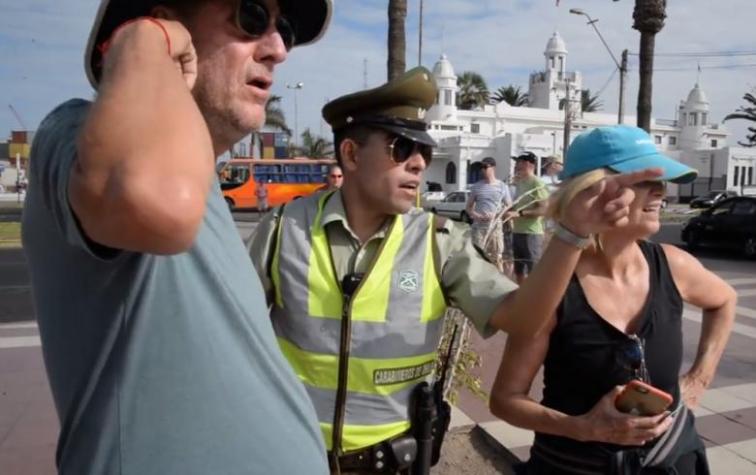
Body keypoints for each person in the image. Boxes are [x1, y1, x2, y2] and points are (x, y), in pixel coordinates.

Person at [248, 69, 663, 475]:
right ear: (352, 155)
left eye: (424, 152)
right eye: (400, 148)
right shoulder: (286, 228)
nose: (417, 164)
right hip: (292, 453)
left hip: (392, 462)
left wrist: (571, 233)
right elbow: (231, 335)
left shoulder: (438, 241)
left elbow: (523, 319)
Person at [22, 1, 333, 473]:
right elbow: (154, 202)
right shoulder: (77, 129)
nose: (277, 50)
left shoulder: (203, 184)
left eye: (284, 30)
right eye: (250, 18)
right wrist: (144, 37)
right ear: (169, 23)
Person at [490, 125, 737, 475]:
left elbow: (724, 301)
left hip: (670, 461)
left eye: (662, 181)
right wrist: (583, 428)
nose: (660, 191)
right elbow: (505, 401)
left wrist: (699, 378)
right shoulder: (553, 289)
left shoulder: (673, 264)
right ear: (590, 190)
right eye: (643, 181)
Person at [505, 151, 549, 284]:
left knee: (533, 270)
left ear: (528, 164)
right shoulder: (520, 183)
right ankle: (521, 299)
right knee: (519, 271)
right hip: (517, 231)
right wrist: (506, 212)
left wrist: (520, 214)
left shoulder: (537, 183)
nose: (516, 166)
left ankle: (534, 300)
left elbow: (544, 209)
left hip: (532, 233)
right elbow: (516, 207)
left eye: (519, 162)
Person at [466, 156, 512, 274]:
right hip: (479, 228)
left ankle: (499, 283)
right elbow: (468, 208)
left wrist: (497, 215)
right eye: (481, 167)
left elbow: (509, 206)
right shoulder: (476, 186)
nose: (483, 170)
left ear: (493, 168)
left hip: (495, 227)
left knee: (497, 256)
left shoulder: (502, 186)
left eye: (485, 167)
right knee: (478, 255)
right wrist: (476, 215)